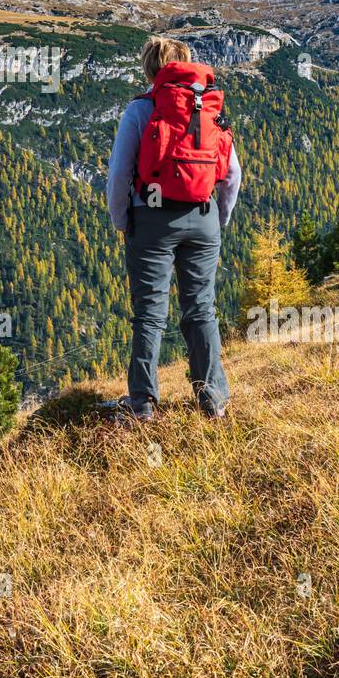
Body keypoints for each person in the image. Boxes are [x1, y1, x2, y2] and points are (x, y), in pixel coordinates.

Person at [106, 36, 241, 421]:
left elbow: (119, 175)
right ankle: (212, 399)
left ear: (150, 69)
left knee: (149, 313)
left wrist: (122, 221)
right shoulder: (209, 108)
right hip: (204, 217)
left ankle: (143, 404)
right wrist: (219, 220)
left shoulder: (141, 109)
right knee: (201, 310)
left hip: (150, 218)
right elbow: (232, 175)